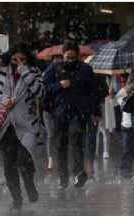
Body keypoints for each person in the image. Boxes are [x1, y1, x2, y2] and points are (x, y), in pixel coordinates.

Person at [0, 43, 45, 211]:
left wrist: (25, 72)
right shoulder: (1, 70)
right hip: (6, 124)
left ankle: (29, 184)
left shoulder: (33, 71)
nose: (18, 62)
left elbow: (40, 92)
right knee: (9, 164)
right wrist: (2, 98)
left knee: (25, 159)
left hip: (28, 124)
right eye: (14, 59)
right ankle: (16, 199)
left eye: (22, 59)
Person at [44, 41, 102, 189]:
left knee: (77, 140)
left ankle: (78, 174)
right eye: (67, 57)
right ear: (62, 55)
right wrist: (59, 85)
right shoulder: (55, 68)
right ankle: (63, 178)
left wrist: (96, 111)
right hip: (59, 112)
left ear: (78, 56)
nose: (70, 60)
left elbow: (94, 91)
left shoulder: (85, 69)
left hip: (79, 111)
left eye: (73, 57)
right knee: (60, 145)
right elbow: (44, 86)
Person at [42, 54, 63, 172]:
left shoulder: (65, 73)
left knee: (58, 135)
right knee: (51, 134)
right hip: (49, 108)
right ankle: (51, 159)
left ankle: (58, 157)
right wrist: (59, 85)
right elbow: (45, 88)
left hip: (60, 108)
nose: (58, 61)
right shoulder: (47, 73)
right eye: (56, 59)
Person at [116, 73, 134, 178]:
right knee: (127, 147)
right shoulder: (121, 92)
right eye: (122, 82)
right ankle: (124, 170)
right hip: (126, 123)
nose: (123, 84)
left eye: (125, 81)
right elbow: (122, 103)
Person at [96, 74, 117, 159]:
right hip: (96, 104)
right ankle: (95, 151)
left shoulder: (111, 77)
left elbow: (112, 94)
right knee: (96, 130)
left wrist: (111, 93)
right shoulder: (94, 76)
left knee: (105, 129)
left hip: (106, 104)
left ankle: (106, 151)